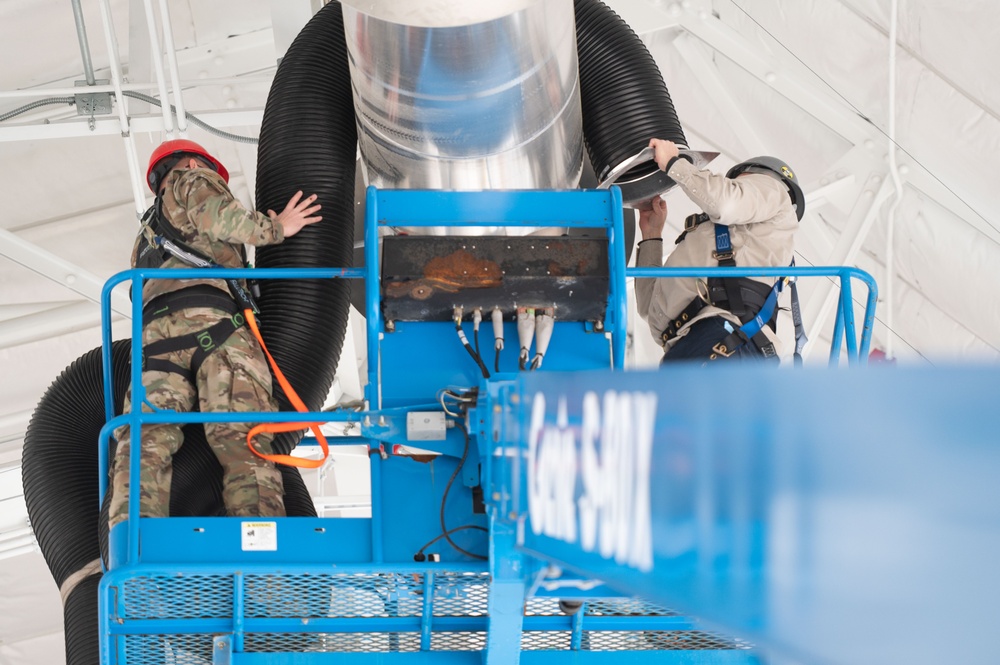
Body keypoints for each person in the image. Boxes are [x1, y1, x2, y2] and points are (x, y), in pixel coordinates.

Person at [109, 139, 322, 529]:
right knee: (242, 441)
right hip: (215, 328)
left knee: (144, 442)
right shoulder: (189, 179)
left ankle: (133, 545)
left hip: (155, 344)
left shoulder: (145, 236)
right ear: (192, 161)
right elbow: (221, 218)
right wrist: (278, 228)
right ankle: (260, 557)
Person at [634, 138, 804, 363]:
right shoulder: (721, 238)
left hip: (726, 342)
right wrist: (652, 235)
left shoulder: (775, 191)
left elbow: (725, 203)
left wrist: (675, 163)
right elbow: (650, 309)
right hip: (692, 346)